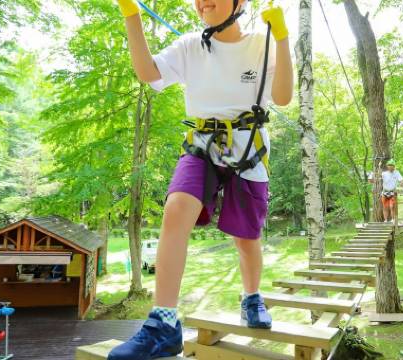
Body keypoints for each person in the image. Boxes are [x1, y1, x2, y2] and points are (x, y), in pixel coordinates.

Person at [109, 1, 293, 359]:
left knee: (246, 237)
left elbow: (283, 96)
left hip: (248, 149)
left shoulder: (262, 44)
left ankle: (251, 297)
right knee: (176, 209)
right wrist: (131, 13)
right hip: (202, 145)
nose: (202, 1)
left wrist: (282, 38)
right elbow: (148, 72)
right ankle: (163, 325)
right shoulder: (191, 46)